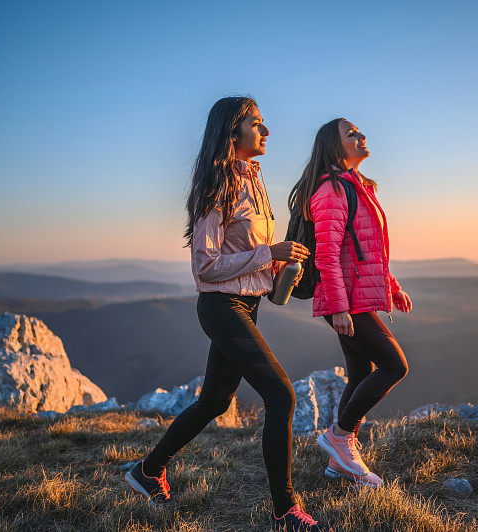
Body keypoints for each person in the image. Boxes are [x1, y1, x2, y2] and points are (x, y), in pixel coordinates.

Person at [125, 96, 332, 532]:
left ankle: (147, 470)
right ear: (231, 132)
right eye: (257, 124)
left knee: (215, 401)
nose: (267, 131)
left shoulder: (255, 181)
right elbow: (205, 266)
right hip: (220, 306)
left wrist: (281, 263)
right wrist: (266, 253)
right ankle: (286, 511)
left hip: (248, 303)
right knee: (281, 395)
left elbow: (247, 255)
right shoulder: (214, 188)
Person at [288, 118, 412, 487]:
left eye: (360, 132)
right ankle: (339, 437)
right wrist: (339, 307)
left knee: (359, 373)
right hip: (345, 298)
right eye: (351, 134)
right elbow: (326, 254)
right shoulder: (331, 190)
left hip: (356, 293)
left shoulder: (358, 186)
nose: (361, 137)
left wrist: (391, 285)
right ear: (334, 146)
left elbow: (367, 249)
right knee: (394, 366)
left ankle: (339, 462)